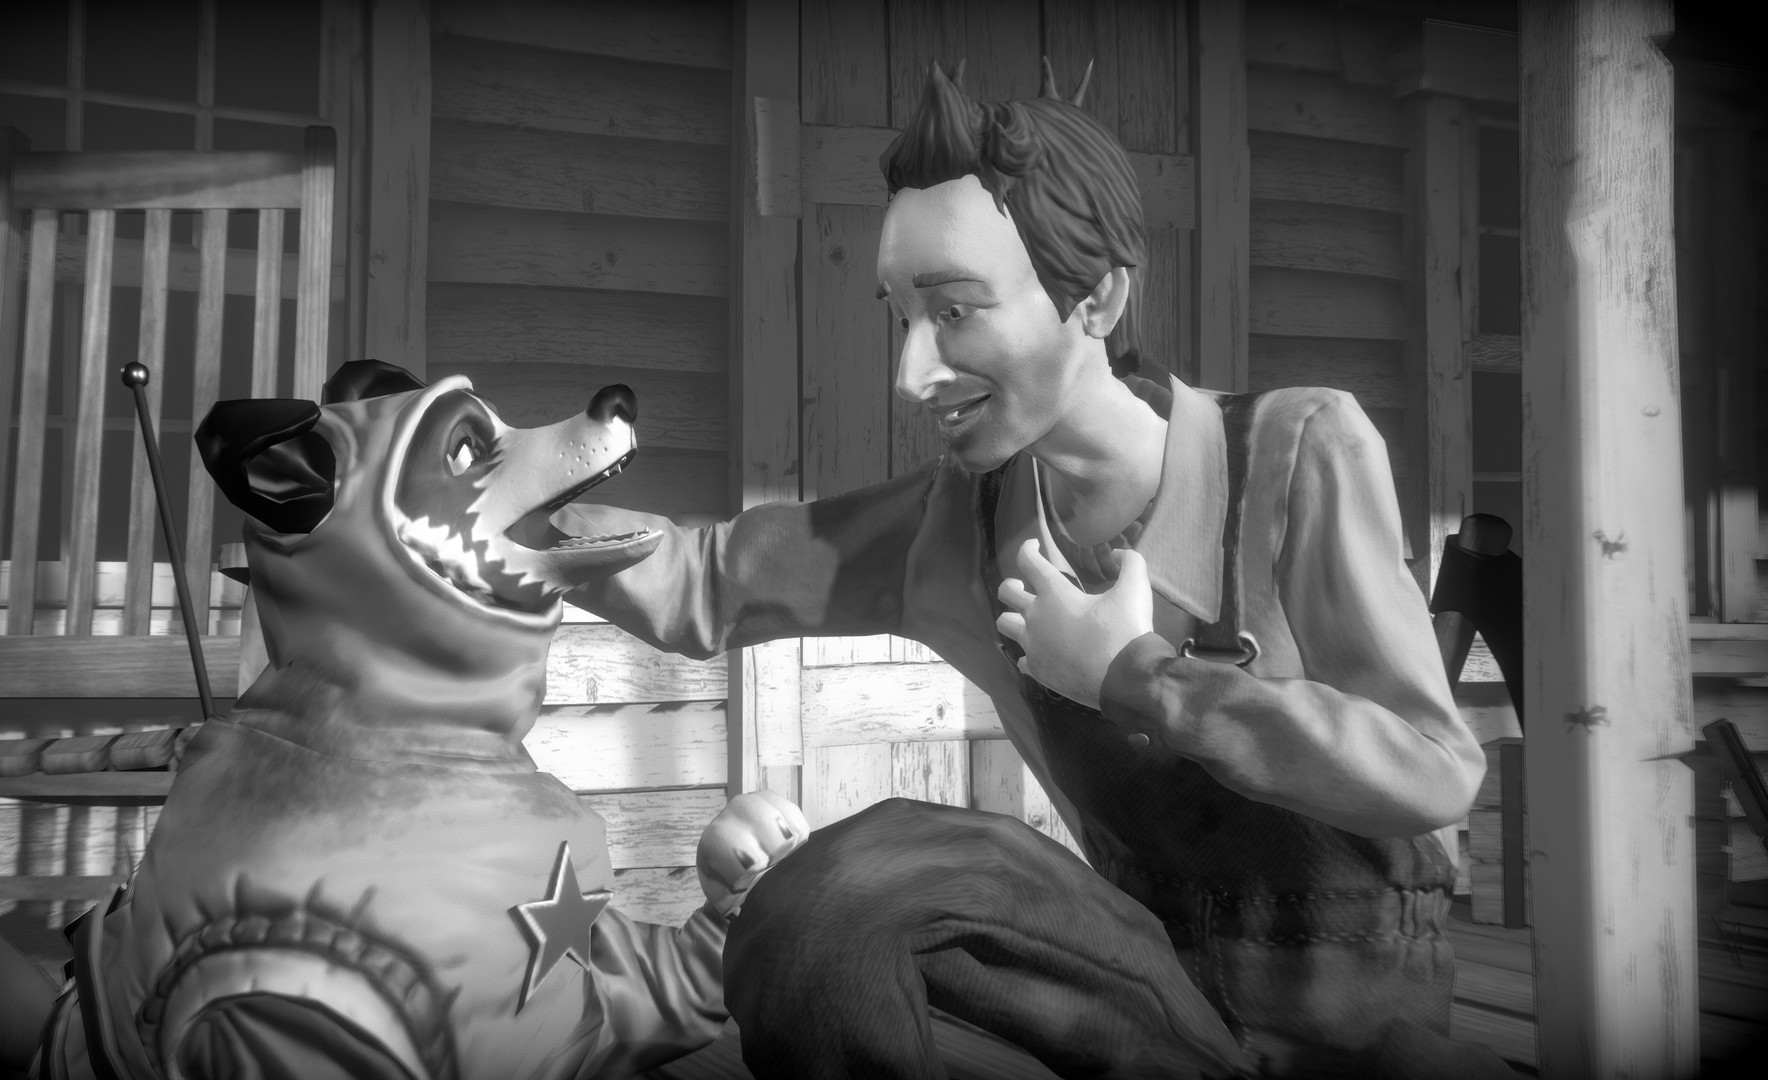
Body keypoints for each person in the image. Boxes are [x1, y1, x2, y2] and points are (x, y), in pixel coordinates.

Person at [562, 61, 1504, 1078]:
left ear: (1097, 298)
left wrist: (1139, 676)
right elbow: (710, 578)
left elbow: (1435, 773)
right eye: (901, 317)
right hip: (1149, 1003)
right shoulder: (960, 524)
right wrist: (515, 521)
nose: (911, 374)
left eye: (955, 311)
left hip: (1360, 1033)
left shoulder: (1297, 451)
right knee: (821, 901)